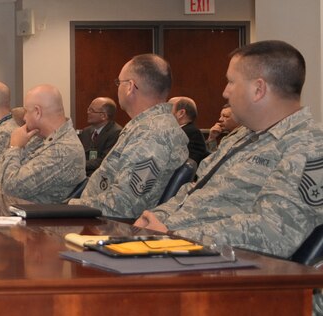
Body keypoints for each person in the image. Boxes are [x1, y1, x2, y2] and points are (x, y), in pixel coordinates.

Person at [134, 40, 323, 259]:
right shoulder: (243, 135)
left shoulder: (310, 145)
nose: (225, 92)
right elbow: (195, 192)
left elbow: (274, 232)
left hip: (219, 265)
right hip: (175, 249)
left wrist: (174, 236)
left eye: (231, 82)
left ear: (258, 89)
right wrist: (154, 219)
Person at [69, 54, 188, 219]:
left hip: (106, 225)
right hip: (96, 218)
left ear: (130, 86)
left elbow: (124, 206)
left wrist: (70, 206)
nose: (117, 88)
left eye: (119, 82)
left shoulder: (151, 135)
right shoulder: (149, 127)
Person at [0, 85, 85, 203]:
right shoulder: (39, 136)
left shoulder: (65, 149)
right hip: (11, 209)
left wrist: (14, 147)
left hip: (30, 213)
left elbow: (10, 189)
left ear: (38, 112)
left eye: (26, 112)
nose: (24, 118)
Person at [77, 97, 122, 176]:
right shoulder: (86, 131)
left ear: (103, 116)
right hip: (82, 175)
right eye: (88, 109)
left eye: (91, 110)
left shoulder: (116, 133)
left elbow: (105, 161)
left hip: (101, 177)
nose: (88, 112)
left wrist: (78, 165)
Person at [169, 96, 210, 163]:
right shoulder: (179, 131)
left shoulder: (192, 133)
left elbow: (189, 165)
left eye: (168, 108)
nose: (163, 113)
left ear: (181, 113)